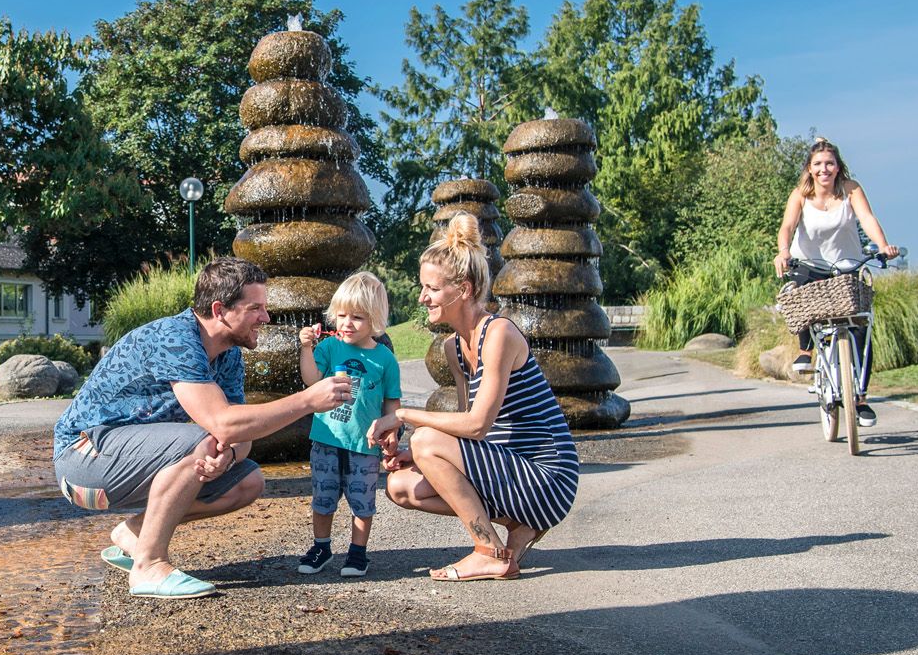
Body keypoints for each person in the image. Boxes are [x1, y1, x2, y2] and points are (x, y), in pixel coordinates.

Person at [54, 256, 356, 599]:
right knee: (201, 439)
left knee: (247, 482)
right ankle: (148, 567)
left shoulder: (228, 356)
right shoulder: (176, 338)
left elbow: (238, 435)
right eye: (255, 307)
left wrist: (224, 458)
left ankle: (134, 534)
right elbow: (225, 424)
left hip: (125, 465)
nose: (266, 317)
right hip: (83, 462)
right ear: (219, 310)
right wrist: (307, 400)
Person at [381, 215, 580, 581]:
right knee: (401, 486)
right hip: (510, 469)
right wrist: (416, 458)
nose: (423, 297)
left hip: (549, 475)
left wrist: (405, 416)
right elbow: (469, 432)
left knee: (425, 438)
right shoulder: (454, 348)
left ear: (465, 289)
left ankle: (489, 551)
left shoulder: (498, 333)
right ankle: (520, 527)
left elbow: (476, 425)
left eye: (432, 289)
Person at [773, 138, 899, 427]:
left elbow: (867, 218)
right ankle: (806, 349)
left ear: (838, 166)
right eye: (817, 164)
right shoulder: (801, 195)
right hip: (810, 264)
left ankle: (861, 397)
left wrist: (882, 245)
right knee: (798, 295)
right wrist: (783, 252)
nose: (824, 169)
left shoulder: (850, 190)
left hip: (846, 266)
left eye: (829, 163)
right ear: (809, 168)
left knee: (860, 327)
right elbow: (787, 227)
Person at [294, 272, 401, 578]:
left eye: (357, 317)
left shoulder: (385, 359)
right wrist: (306, 349)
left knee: (362, 500)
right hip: (326, 438)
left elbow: (392, 402)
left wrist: (391, 429)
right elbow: (312, 381)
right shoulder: (329, 348)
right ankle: (321, 546)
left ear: (375, 320)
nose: (346, 324)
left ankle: (357, 553)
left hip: (363, 445)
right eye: (341, 315)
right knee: (323, 498)